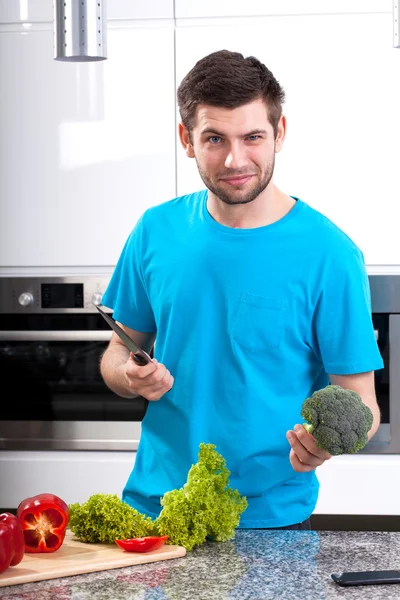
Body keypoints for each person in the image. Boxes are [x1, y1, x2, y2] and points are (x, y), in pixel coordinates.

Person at [100, 49, 383, 530]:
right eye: (215, 138)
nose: (235, 160)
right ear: (187, 139)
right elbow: (115, 354)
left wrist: (329, 442)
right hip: (152, 510)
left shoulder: (330, 254)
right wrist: (130, 376)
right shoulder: (154, 231)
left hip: (269, 519)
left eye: (253, 136)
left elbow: (363, 404)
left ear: (280, 134)